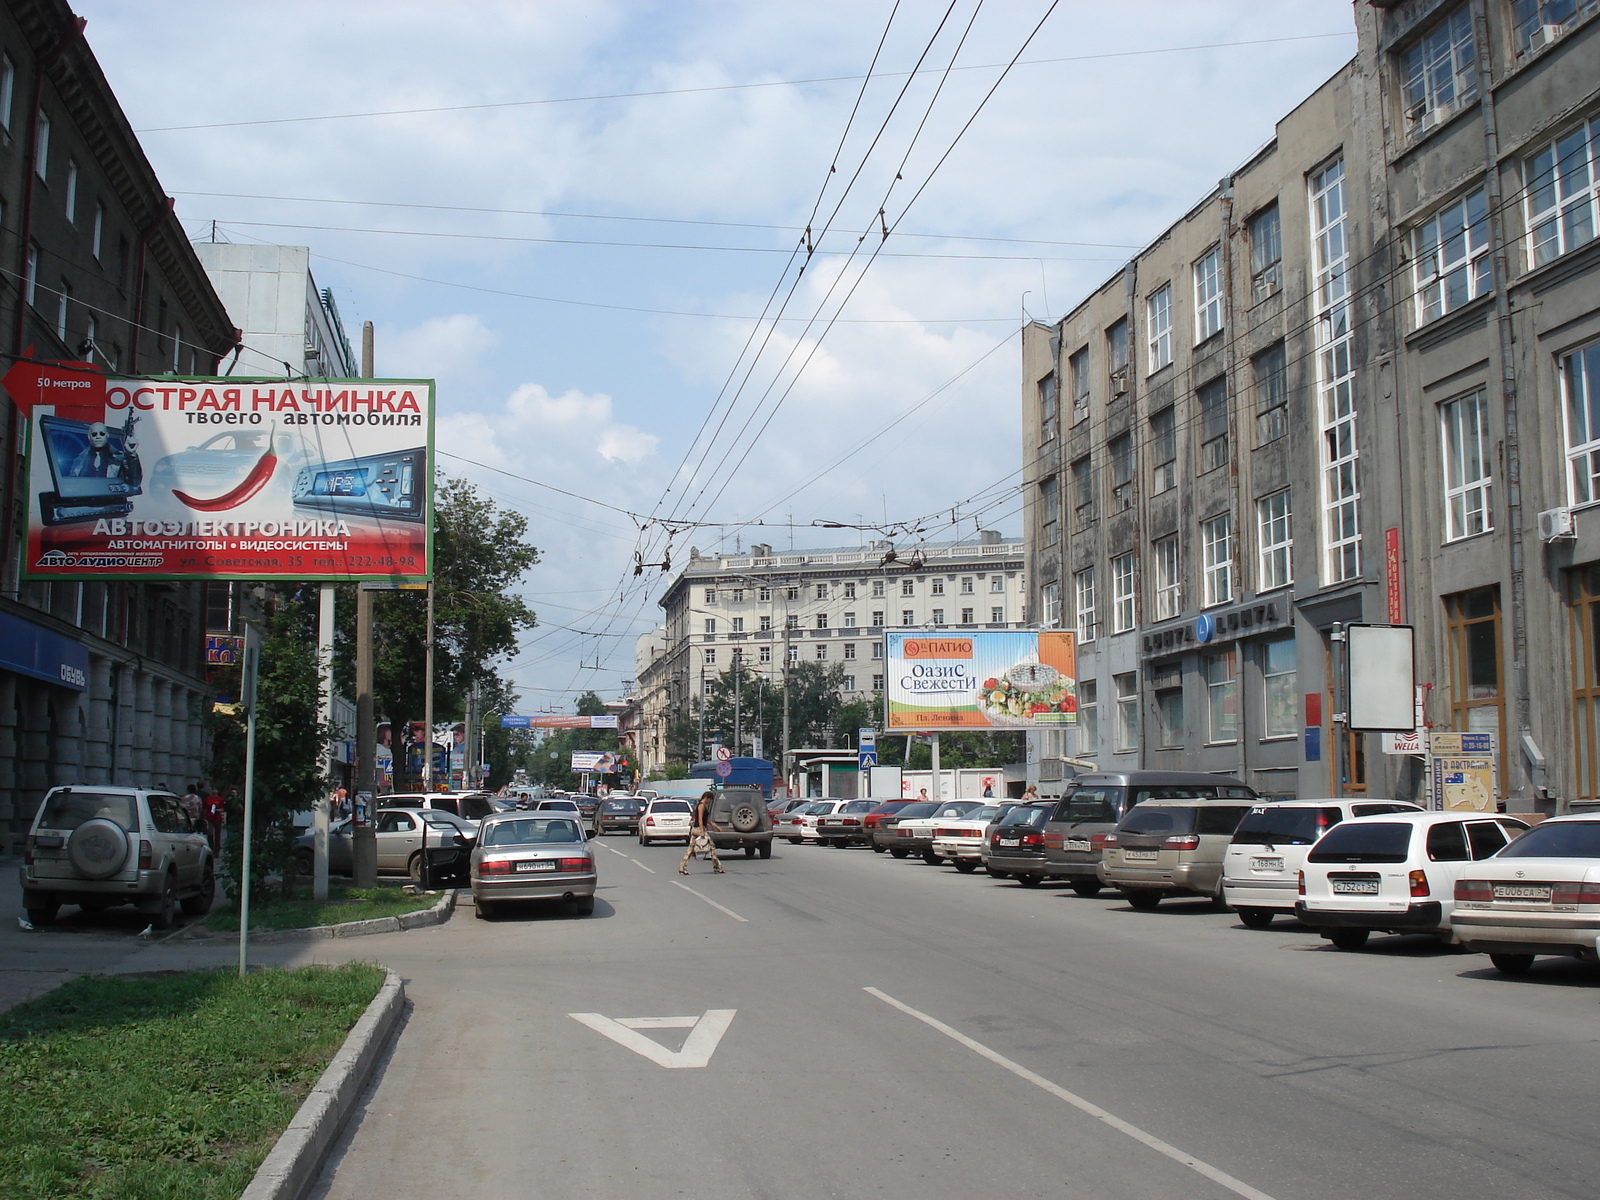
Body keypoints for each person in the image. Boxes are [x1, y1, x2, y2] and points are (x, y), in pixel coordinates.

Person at [680, 791, 725, 875]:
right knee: (712, 847)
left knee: (690, 849)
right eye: (710, 800)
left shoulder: (701, 805)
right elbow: (700, 819)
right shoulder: (701, 806)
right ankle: (717, 867)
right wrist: (702, 831)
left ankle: (682, 867)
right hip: (699, 829)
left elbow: (707, 820)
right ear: (707, 798)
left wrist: (716, 827)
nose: (709, 802)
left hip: (695, 830)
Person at [202, 786, 226, 853]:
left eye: (216, 790)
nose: (214, 791)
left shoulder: (220, 799)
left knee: (217, 834)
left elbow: (222, 808)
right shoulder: (207, 799)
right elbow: (204, 808)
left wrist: (217, 810)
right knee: (210, 833)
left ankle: (217, 850)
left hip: (217, 818)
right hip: (209, 817)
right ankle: (211, 848)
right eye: (213, 790)